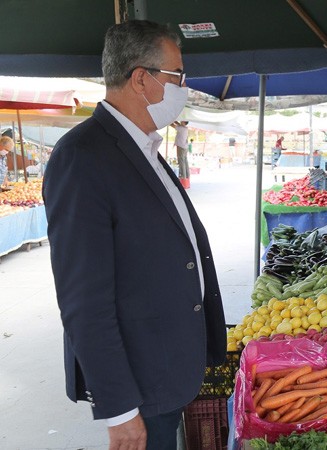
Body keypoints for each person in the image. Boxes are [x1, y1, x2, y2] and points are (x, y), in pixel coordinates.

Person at [42, 20, 226, 449]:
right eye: (178, 76)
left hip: (169, 367)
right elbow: (83, 301)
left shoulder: (144, 148)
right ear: (141, 79)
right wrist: (120, 410)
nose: (184, 87)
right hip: (141, 383)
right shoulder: (82, 157)